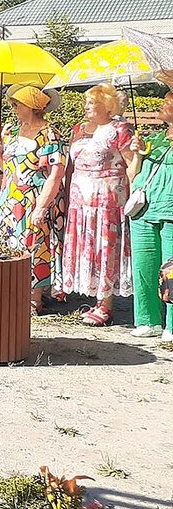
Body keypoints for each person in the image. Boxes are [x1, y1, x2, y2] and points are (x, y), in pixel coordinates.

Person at [61, 84, 136, 326]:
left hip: (107, 202)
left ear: (106, 105)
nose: (86, 106)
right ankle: (90, 293)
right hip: (80, 200)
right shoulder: (79, 129)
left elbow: (132, 165)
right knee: (85, 247)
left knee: (106, 249)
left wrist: (134, 195)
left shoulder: (120, 129)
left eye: (92, 103)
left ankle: (105, 304)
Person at [0, 85, 67, 314]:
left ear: (32, 106)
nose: (13, 107)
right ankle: (11, 290)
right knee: (8, 243)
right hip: (10, 196)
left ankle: (35, 297)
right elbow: (6, 168)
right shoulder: (10, 131)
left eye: (18, 104)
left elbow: (56, 173)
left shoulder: (49, 134)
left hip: (34, 196)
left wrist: (42, 206)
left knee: (36, 244)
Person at [127, 91, 173, 340]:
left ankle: (172, 325)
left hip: (170, 210)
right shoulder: (153, 139)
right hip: (143, 210)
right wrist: (136, 154)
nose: (163, 105)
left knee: (172, 269)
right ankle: (148, 320)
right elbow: (133, 175)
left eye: (168, 101)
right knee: (144, 267)